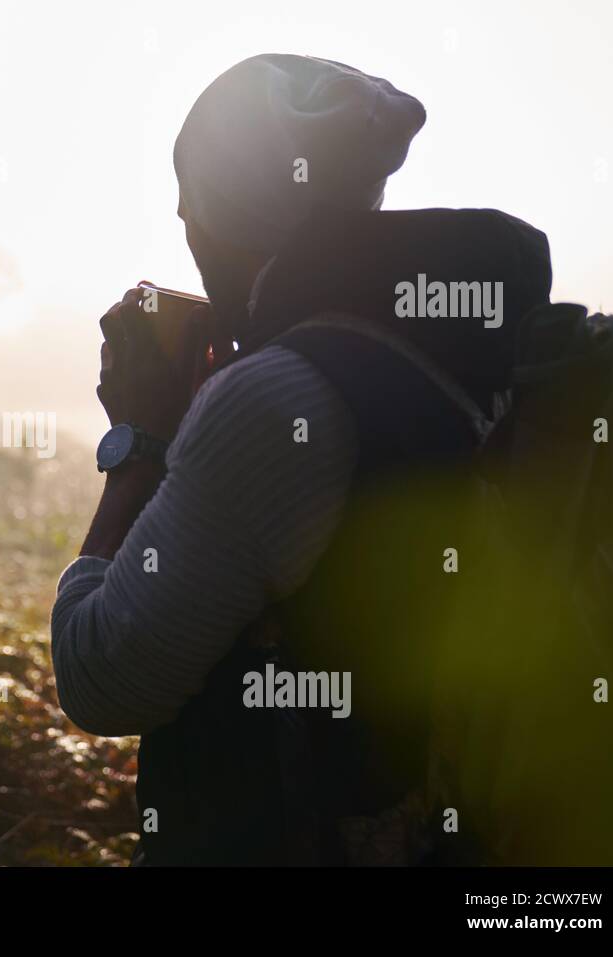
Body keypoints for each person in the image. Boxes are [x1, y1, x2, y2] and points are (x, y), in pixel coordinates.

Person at [50, 54, 553, 865]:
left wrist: (140, 442)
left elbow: (100, 675)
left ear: (220, 217)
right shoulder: (467, 346)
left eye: (190, 214)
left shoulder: (278, 398)